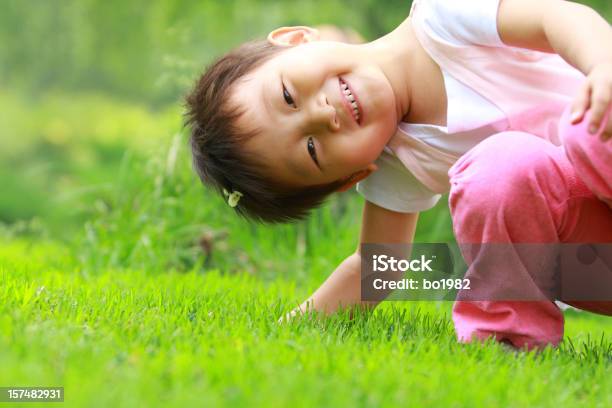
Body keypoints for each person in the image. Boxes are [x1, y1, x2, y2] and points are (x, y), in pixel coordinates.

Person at [184, 0, 612, 350]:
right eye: (312, 149)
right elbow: (376, 268)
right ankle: (510, 343)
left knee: (585, 130)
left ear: (297, 39)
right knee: (497, 173)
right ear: (353, 176)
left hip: (602, 132)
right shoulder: (397, 165)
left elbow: (556, 16)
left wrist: (602, 65)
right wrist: (283, 330)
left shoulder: (443, 18)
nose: (322, 115)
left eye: (288, 96)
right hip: (597, 258)